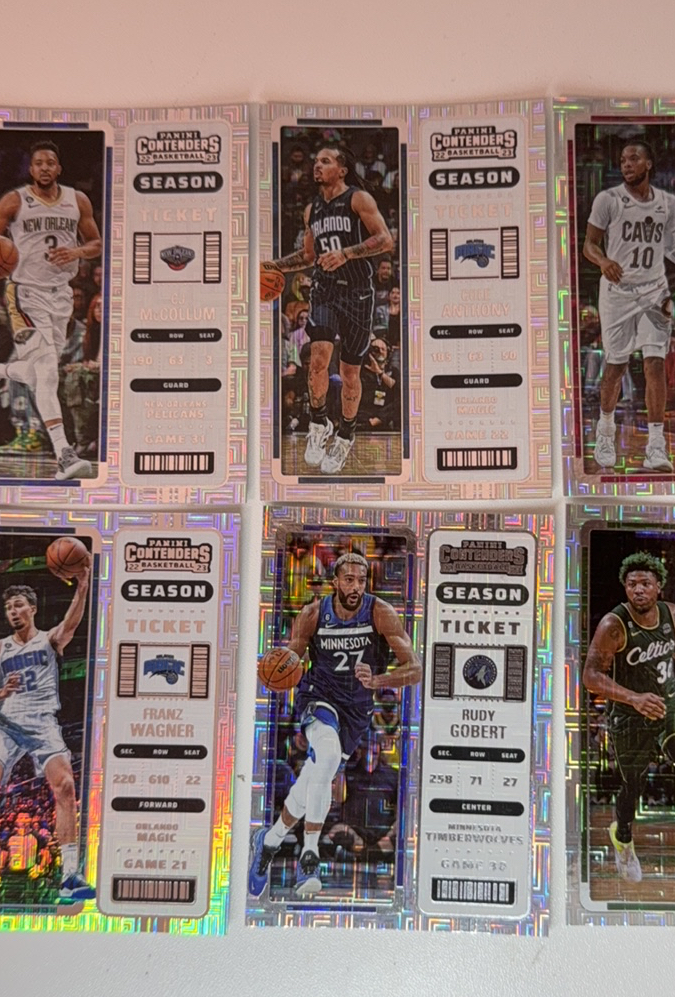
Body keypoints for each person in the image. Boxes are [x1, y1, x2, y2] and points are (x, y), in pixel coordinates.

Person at [248, 551, 421, 897]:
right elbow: (291, 660)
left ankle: (269, 840)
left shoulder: (380, 613)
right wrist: (275, 670)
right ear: (335, 582)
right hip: (319, 697)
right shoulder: (313, 614)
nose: (356, 587)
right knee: (326, 757)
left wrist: (378, 680)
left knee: (315, 777)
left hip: (356, 709)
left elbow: (415, 669)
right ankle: (309, 857)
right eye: (349, 580)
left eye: (361, 581)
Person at [0, 562, 95, 902]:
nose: (12, 611)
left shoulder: (49, 640)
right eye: (8, 607)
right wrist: (1, 692)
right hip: (6, 723)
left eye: (18, 605)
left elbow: (72, 621)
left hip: (42, 722)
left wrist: (83, 584)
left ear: (32, 608)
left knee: (66, 786)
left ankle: (70, 873)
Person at [581, 551, 675, 889]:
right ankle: (622, 837)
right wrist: (634, 698)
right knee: (632, 785)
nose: (638, 589)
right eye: (632, 584)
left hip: (668, 706)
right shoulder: (613, 625)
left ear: (658, 587)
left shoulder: (672, 615)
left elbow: (674, 645)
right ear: (625, 588)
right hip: (629, 715)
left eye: (645, 583)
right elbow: (590, 676)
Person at [0, 140, 102, 481]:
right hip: (25, 294)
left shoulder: (77, 200)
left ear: (59, 168)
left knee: (38, 374)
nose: (44, 167)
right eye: (39, 163)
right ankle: (64, 454)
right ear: (31, 169)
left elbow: (97, 243)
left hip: (61, 296)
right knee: (47, 374)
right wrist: (1, 260)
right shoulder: (14, 201)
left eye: (50, 162)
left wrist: (76, 253)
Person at [262, 147, 394, 474]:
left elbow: (385, 240)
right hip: (325, 290)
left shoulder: (358, 199)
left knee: (350, 373)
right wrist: (275, 266)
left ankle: (346, 433)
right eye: (315, 161)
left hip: (358, 294)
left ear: (342, 169)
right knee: (319, 357)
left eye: (325, 161)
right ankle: (319, 422)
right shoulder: (313, 210)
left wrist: (346, 254)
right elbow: (309, 255)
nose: (317, 165)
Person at [582, 140, 675, 472]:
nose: (626, 164)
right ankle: (606, 430)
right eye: (622, 160)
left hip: (655, 291)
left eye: (633, 158)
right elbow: (589, 244)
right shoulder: (607, 200)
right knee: (615, 367)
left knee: (655, 364)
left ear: (649, 163)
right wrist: (603, 261)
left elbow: (670, 246)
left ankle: (656, 447)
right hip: (618, 292)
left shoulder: (667, 202)